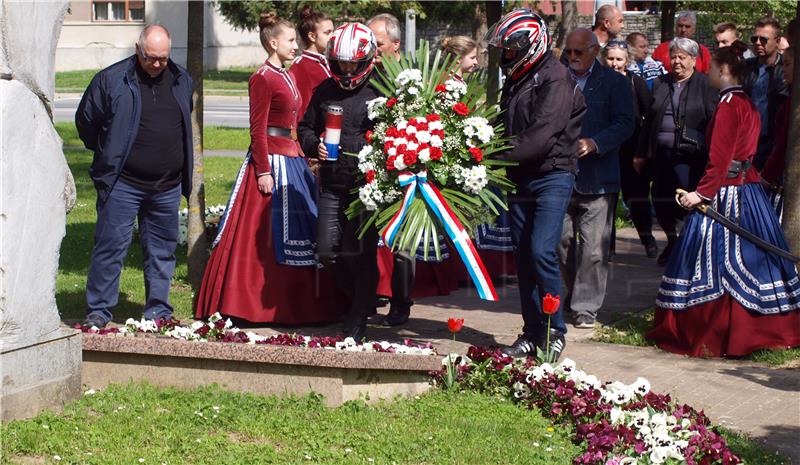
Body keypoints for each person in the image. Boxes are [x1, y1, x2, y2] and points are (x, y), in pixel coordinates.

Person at [647, 41, 800, 357]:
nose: (709, 73)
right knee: (753, 258)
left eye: (712, 68)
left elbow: (719, 158)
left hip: (727, 192)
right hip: (749, 191)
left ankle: (718, 331)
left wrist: (700, 194)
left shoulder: (729, 105)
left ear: (724, 70)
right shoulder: (748, 104)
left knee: (718, 261)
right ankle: (760, 328)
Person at [194, 12, 344, 324]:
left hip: (294, 158)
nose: (295, 45)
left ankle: (302, 305)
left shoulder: (287, 75)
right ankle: (251, 304)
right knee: (261, 234)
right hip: (272, 161)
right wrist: (263, 170)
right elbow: (257, 130)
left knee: (305, 230)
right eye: (290, 40)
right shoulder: (261, 78)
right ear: (273, 43)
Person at [75, 25, 193, 329]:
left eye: (163, 59)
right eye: (151, 58)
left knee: (162, 251)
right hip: (123, 184)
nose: (156, 64)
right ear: (137, 50)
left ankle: (159, 311)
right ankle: (99, 312)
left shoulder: (182, 80)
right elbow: (87, 123)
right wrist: (108, 153)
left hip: (166, 185)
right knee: (111, 247)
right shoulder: (112, 80)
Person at [486, 9, 587, 359]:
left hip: (552, 175)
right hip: (520, 177)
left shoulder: (555, 78)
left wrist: (487, 155)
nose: (506, 57)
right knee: (523, 258)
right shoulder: (517, 79)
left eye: (511, 50)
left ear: (530, 45)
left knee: (542, 251)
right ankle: (531, 331)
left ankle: (554, 329)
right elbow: (504, 125)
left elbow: (540, 137)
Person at [299, 23, 380, 342]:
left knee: (359, 252)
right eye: (341, 63)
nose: (346, 70)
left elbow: (397, 134)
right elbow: (305, 127)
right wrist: (312, 145)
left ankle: (357, 319)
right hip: (332, 182)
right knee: (327, 251)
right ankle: (365, 298)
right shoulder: (324, 90)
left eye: (351, 63)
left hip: (368, 188)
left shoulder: (382, 91)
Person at [560, 30, 635, 329]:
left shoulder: (614, 82)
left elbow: (625, 123)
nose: (573, 57)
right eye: (569, 52)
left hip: (599, 178)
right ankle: (575, 290)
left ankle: (585, 306)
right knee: (558, 242)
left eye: (579, 52)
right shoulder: (558, 79)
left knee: (593, 248)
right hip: (561, 175)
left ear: (594, 50)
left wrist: (595, 143)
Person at [634, 38, 718, 266]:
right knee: (661, 201)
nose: (676, 61)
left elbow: (713, 120)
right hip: (660, 153)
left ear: (693, 59)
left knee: (687, 203)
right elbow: (649, 120)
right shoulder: (661, 83)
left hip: (690, 155)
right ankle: (673, 241)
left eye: (682, 57)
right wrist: (641, 153)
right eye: (674, 57)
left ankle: (687, 247)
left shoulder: (705, 84)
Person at [367, 13, 416, 326]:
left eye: (379, 43)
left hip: (404, 169)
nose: (372, 49)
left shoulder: (410, 78)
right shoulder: (366, 72)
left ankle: (401, 304)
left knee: (403, 244)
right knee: (366, 239)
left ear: (396, 44)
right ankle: (367, 298)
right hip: (371, 168)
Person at [604, 40, 656, 258]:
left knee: (637, 198)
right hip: (606, 152)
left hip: (631, 151)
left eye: (619, 59)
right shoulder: (597, 84)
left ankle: (648, 240)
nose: (615, 64)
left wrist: (642, 152)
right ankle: (608, 246)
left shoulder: (636, 83)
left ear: (627, 62)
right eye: (611, 59)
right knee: (606, 201)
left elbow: (650, 116)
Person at [742, 17, 788, 169]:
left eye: (763, 39)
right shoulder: (746, 68)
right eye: (755, 38)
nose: (757, 43)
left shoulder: (787, 70)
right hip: (747, 142)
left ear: (777, 41)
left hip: (774, 142)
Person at [760, 46, 794, 219]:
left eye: (787, 64)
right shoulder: (790, 98)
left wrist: (767, 175)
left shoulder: (793, 104)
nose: (783, 69)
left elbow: (784, 142)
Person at [289, 5, 334, 119]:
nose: (333, 37)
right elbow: (300, 108)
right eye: (327, 32)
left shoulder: (327, 62)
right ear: (312, 36)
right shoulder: (301, 66)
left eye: (333, 32)